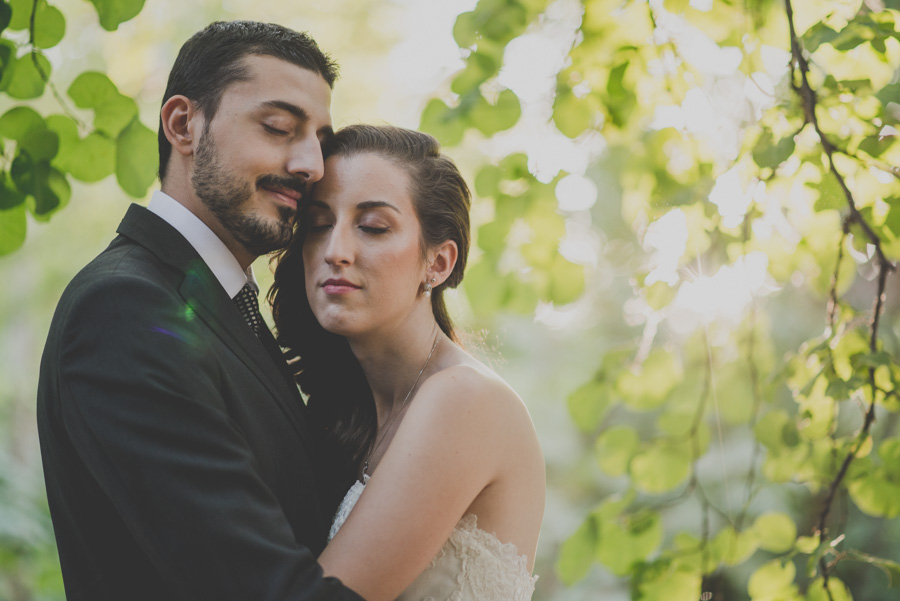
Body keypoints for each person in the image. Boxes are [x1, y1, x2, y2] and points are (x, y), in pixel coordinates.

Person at [36, 21, 364, 601]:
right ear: (184, 125)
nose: (312, 164)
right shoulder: (124, 309)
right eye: (279, 127)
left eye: (319, 140)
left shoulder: (224, 301)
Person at [270, 124, 546, 601]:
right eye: (318, 225)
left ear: (437, 263)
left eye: (373, 227)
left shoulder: (465, 399)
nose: (335, 251)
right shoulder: (353, 416)